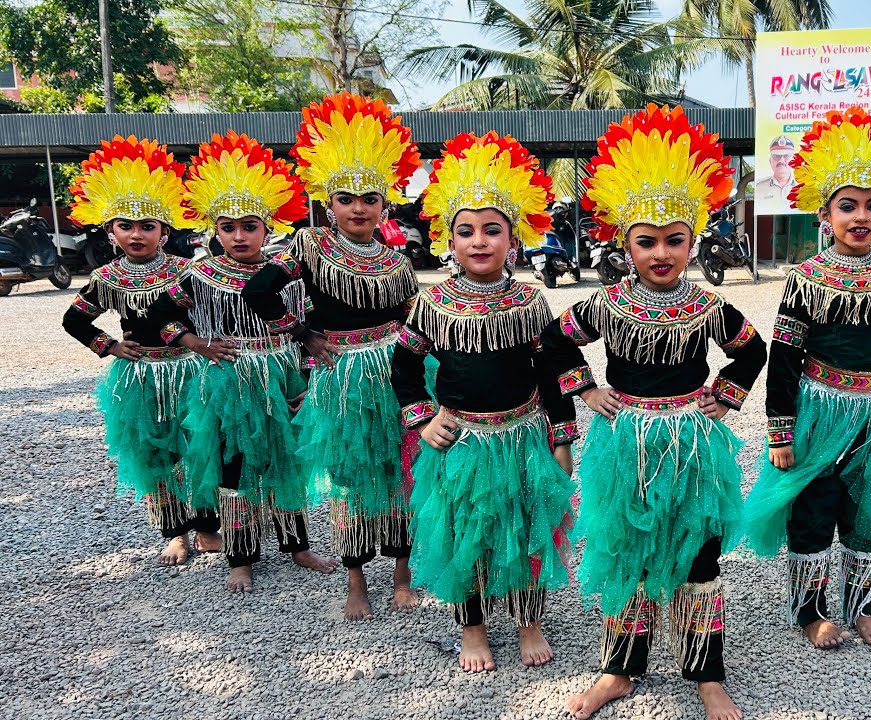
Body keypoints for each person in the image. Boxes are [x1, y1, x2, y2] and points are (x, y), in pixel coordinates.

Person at [542, 105, 766, 720]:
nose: (662, 252)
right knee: (625, 551)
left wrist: (722, 398)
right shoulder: (607, 302)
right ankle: (618, 670)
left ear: (693, 242)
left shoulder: (709, 304)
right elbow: (556, 343)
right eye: (647, 241)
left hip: (694, 446)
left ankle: (708, 675)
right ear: (626, 244)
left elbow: (753, 350)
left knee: (700, 553)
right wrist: (585, 389)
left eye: (675, 239)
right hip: (625, 443)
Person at [742, 108, 871, 649]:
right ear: (825, 215)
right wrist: (780, 432)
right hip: (818, 411)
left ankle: (863, 604)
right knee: (814, 508)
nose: (861, 217)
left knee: (870, 506)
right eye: (847, 206)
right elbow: (784, 356)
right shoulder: (807, 278)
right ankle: (811, 612)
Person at [391, 131, 576, 672]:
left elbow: (555, 372)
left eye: (492, 230)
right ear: (449, 239)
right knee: (462, 534)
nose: (479, 241)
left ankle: (528, 621)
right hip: (460, 441)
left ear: (512, 241)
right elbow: (404, 367)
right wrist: (422, 419)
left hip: (522, 436)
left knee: (523, 529)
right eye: (466, 231)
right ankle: (472, 630)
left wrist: (560, 437)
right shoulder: (431, 303)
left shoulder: (529, 301)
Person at [242, 93, 422, 619]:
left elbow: (415, 315)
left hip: (393, 372)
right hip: (340, 378)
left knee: (399, 469)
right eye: (346, 197)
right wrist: (302, 334)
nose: (358, 208)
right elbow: (258, 292)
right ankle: (355, 581)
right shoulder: (308, 244)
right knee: (348, 477)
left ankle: (403, 573)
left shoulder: (397, 257)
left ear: (385, 203)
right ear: (329, 201)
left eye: (369, 196)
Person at [147, 131, 339, 592]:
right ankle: (240, 558)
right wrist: (194, 341)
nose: (239, 236)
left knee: (285, 462)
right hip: (229, 383)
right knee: (234, 466)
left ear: (267, 228)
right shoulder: (199, 273)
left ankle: (297, 547)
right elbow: (158, 316)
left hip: (282, 375)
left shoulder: (287, 270)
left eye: (249, 226)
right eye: (228, 227)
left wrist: (305, 375)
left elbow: (309, 327)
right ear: (215, 230)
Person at [61, 136, 220, 565]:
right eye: (126, 226)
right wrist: (110, 345)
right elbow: (74, 320)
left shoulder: (188, 272)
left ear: (165, 232)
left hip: (190, 370)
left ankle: (207, 528)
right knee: (156, 454)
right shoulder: (106, 278)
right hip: (141, 377)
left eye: (148, 226)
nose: (137, 234)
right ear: (111, 231)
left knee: (201, 447)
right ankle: (175, 534)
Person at [754, 135, 797, 206]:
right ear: (770, 161)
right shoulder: (759, 188)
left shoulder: (804, 186)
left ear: (794, 160)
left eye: (786, 156)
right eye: (776, 156)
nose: (781, 161)